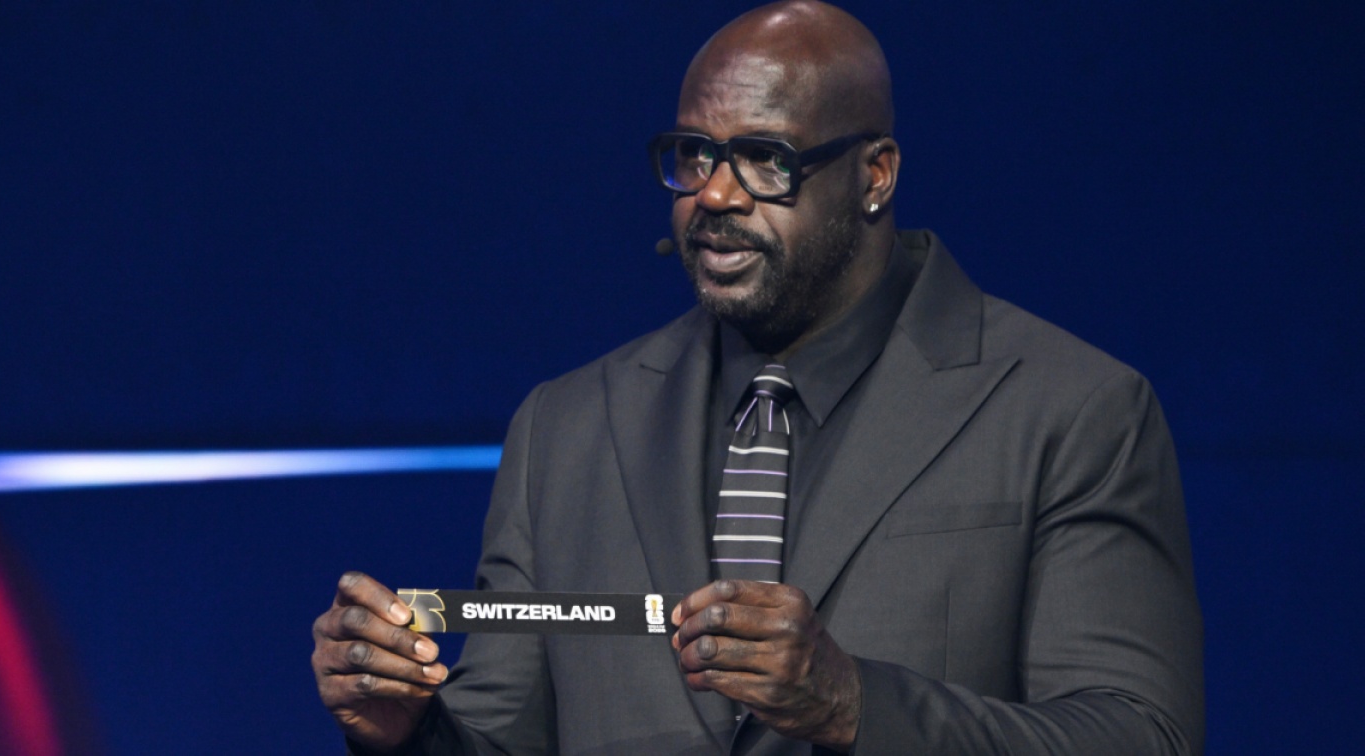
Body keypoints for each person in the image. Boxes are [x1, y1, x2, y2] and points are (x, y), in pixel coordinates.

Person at [310, 2, 1205, 753]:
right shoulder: (567, 428)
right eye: (695, 155)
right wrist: (409, 734)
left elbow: (1140, 735)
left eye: (765, 159)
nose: (715, 194)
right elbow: (504, 736)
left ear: (875, 176)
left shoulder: (1070, 409)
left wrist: (855, 704)